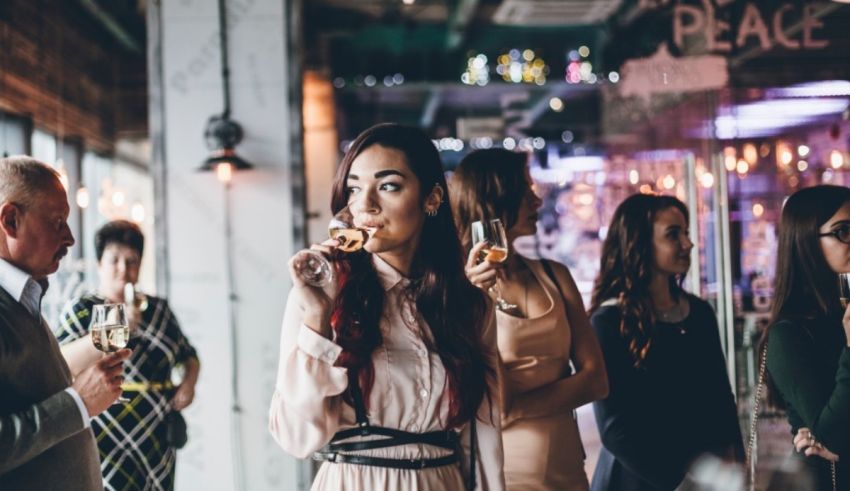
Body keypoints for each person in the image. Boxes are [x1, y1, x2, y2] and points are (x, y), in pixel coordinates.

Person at [269, 123, 504, 490]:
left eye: (389, 185)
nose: (365, 205)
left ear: (432, 199)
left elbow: (484, 435)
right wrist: (317, 319)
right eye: (354, 188)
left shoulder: (469, 306)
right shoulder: (321, 297)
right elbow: (296, 438)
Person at [451, 148, 608, 490]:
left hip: (566, 467)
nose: (537, 201)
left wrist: (520, 408)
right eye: (526, 191)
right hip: (499, 473)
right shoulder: (456, 290)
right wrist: (474, 301)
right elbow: (485, 396)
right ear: (494, 199)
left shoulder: (555, 276)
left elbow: (596, 380)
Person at [588, 193, 743, 491]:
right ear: (639, 243)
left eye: (686, 233)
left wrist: (736, 464)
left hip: (708, 475)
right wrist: (681, 482)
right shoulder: (609, 322)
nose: (688, 244)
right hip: (640, 480)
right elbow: (615, 429)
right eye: (673, 235)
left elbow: (722, 399)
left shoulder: (699, 312)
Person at [0, 155, 130, 490]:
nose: (70, 238)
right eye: (57, 221)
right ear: (10, 220)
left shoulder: (25, 298)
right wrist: (79, 402)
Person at [57, 219, 200, 490]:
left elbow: (188, 355)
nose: (123, 269)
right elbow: (59, 365)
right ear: (100, 264)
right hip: (105, 436)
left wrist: (189, 383)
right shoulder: (83, 309)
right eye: (114, 260)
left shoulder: (157, 309)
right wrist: (113, 330)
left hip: (156, 436)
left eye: (132, 261)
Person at [762, 185, 850, 490]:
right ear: (806, 242)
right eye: (843, 231)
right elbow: (834, 435)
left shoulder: (843, 311)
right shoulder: (789, 333)